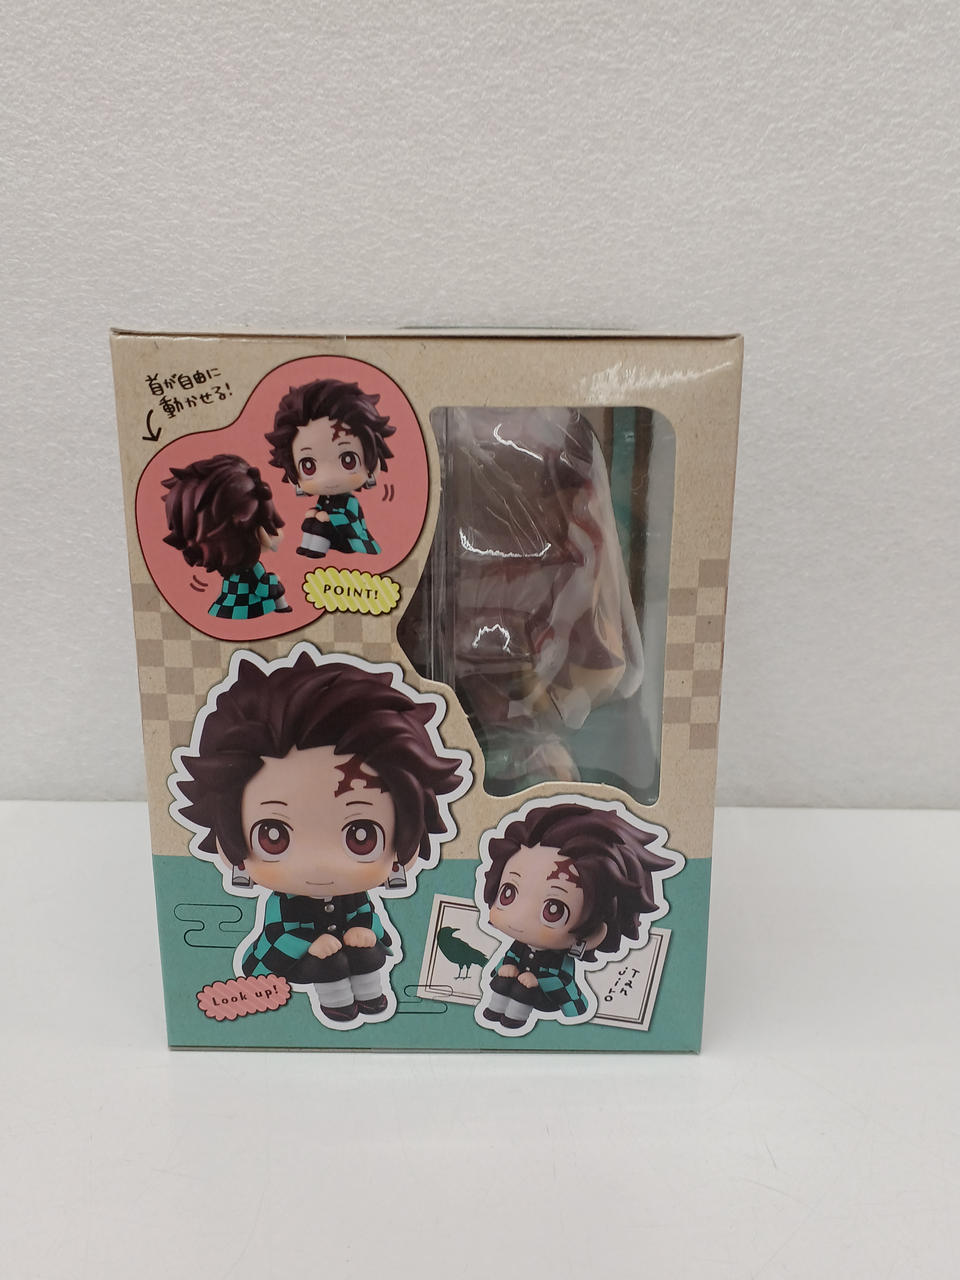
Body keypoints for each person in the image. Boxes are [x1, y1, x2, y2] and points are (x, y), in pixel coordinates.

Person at [171, 647, 470, 1026]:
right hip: (291, 961)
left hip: (344, 951)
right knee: (331, 962)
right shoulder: (284, 903)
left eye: (361, 836)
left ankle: (371, 996)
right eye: (274, 836)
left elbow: (368, 917)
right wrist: (310, 945)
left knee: (367, 953)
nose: (320, 863)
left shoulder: (355, 896)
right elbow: (275, 934)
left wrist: (367, 932)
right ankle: (337, 1005)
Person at [477, 801, 680, 1034]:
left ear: (595, 933)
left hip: (546, 998)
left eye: (553, 909)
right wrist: (507, 967)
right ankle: (494, 1012)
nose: (519, 917)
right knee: (502, 981)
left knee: (523, 990)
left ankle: (514, 1020)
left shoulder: (560, 957)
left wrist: (537, 981)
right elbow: (509, 959)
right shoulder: (519, 946)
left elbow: (566, 984)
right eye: (508, 894)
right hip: (516, 987)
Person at [265, 378, 395, 558]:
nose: (328, 477)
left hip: (351, 539)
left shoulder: (350, 502)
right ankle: (310, 548)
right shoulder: (324, 499)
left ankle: (316, 549)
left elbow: (351, 521)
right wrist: (316, 514)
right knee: (311, 521)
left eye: (348, 460)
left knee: (320, 523)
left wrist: (329, 517)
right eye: (308, 466)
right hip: (333, 539)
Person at [161, 453, 290, 620]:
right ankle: (283, 608)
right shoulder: (253, 568)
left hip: (221, 609)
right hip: (249, 611)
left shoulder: (229, 570)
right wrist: (273, 580)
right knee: (276, 586)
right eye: (267, 525)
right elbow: (262, 589)